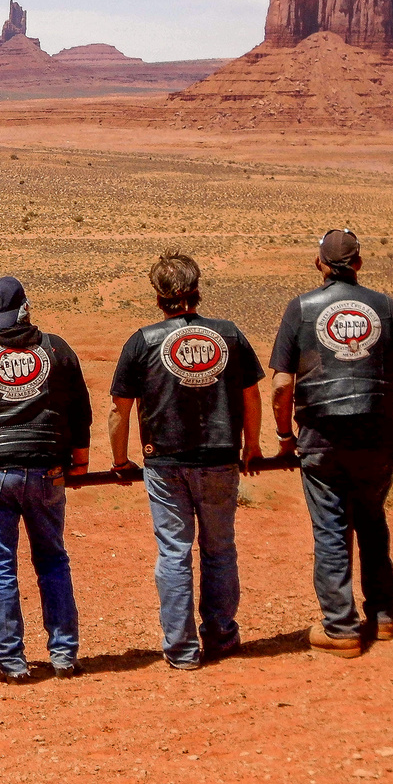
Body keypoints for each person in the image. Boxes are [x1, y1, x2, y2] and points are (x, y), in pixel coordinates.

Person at [269, 229, 393, 658]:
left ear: (319, 263)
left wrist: (285, 436)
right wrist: (370, 375)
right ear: (358, 263)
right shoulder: (385, 306)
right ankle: (383, 617)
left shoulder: (301, 308)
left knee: (331, 528)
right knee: (372, 520)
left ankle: (340, 628)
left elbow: (282, 382)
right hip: (378, 433)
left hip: (322, 434)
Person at [108, 252, 264, 670]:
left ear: (158, 295)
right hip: (220, 456)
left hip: (165, 462)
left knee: (174, 552)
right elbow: (251, 394)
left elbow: (120, 409)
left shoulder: (143, 340)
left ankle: (181, 649)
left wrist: (121, 460)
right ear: (196, 290)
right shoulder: (229, 335)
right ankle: (221, 636)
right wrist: (253, 446)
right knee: (220, 549)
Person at [0, 276, 92, 682]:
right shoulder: (56, 349)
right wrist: (80, 462)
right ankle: (63, 654)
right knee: (53, 560)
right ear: (26, 308)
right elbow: (80, 410)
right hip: (48, 472)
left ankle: (11, 661)